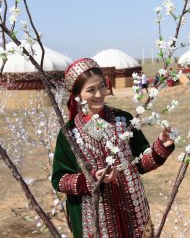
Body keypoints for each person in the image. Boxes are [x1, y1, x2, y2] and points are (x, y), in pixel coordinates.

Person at [51, 58, 175, 238]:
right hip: (94, 218)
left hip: (133, 210)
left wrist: (161, 147)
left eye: (102, 87)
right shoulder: (69, 134)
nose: (99, 94)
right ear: (77, 95)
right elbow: (59, 180)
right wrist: (92, 178)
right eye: (91, 90)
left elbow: (140, 163)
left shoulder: (123, 119)